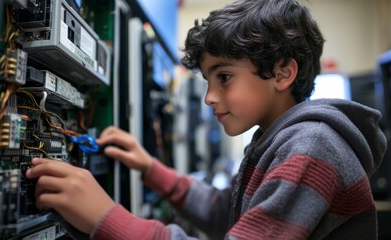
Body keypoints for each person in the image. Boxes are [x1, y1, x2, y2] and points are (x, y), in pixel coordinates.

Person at [26, 0, 387, 239]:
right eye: (207, 80)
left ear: (281, 73)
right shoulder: (275, 141)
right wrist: (151, 168)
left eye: (224, 77)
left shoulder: (312, 147)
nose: (209, 97)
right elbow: (225, 213)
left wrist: (108, 217)